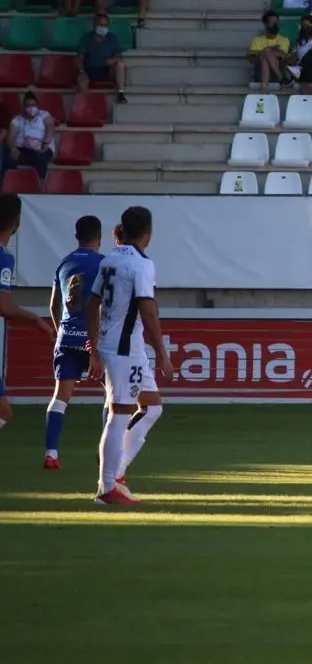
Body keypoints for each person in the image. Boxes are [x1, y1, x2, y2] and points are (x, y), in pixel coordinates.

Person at [86, 206, 172, 505]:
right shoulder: (142, 264)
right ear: (149, 231)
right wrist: (162, 351)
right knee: (119, 412)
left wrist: (95, 345)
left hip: (121, 345)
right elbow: (148, 311)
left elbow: (91, 304)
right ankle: (106, 486)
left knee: (152, 407)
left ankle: (116, 471)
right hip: (124, 349)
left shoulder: (110, 259)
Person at [43, 216, 106, 470]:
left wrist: (61, 333)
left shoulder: (64, 263)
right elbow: (103, 305)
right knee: (112, 395)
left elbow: (52, 305)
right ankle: (105, 453)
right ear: (98, 237)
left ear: (76, 235)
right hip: (95, 342)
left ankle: (51, 453)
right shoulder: (104, 264)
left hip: (67, 338)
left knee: (60, 397)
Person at [0, 194, 56, 435]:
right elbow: (4, 307)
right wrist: (36, 320)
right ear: (16, 221)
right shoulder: (3, 257)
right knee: (3, 412)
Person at [78, 13, 127, 103]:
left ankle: (121, 93)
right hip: (89, 71)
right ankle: (85, 105)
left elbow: (119, 57)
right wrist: (81, 71)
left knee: (120, 64)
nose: (103, 28)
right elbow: (80, 57)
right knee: (81, 81)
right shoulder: (86, 38)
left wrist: (113, 60)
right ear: (94, 25)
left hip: (106, 71)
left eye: (105, 25)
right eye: (100, 25)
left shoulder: (112, 38)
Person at [6, 93, 56, 179]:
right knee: (9, 157)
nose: (31, 108)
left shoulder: (44, 115)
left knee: (40, 158)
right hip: (24, 150)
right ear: (24, 107)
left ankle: (39, 187)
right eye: (28, 105)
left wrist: (45, 144)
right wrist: (13, 148)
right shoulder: (17, 119)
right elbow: (11, 136)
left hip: (42, 148)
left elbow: (50, 127)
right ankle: (12, 184)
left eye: (34, 105)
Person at [249, 10, 293, 91]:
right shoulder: (257, 40)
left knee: (265, 54)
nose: (275, 25)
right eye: (272, 23)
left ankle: (264, 88)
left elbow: (284, 56)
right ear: (265, 24)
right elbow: (251, 56)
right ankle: (282, 79)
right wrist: (270, 51)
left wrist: (266, 51)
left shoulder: (284, 40)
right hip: (260, 72)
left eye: (276, 22)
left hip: (278, 69)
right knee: (265, 55)